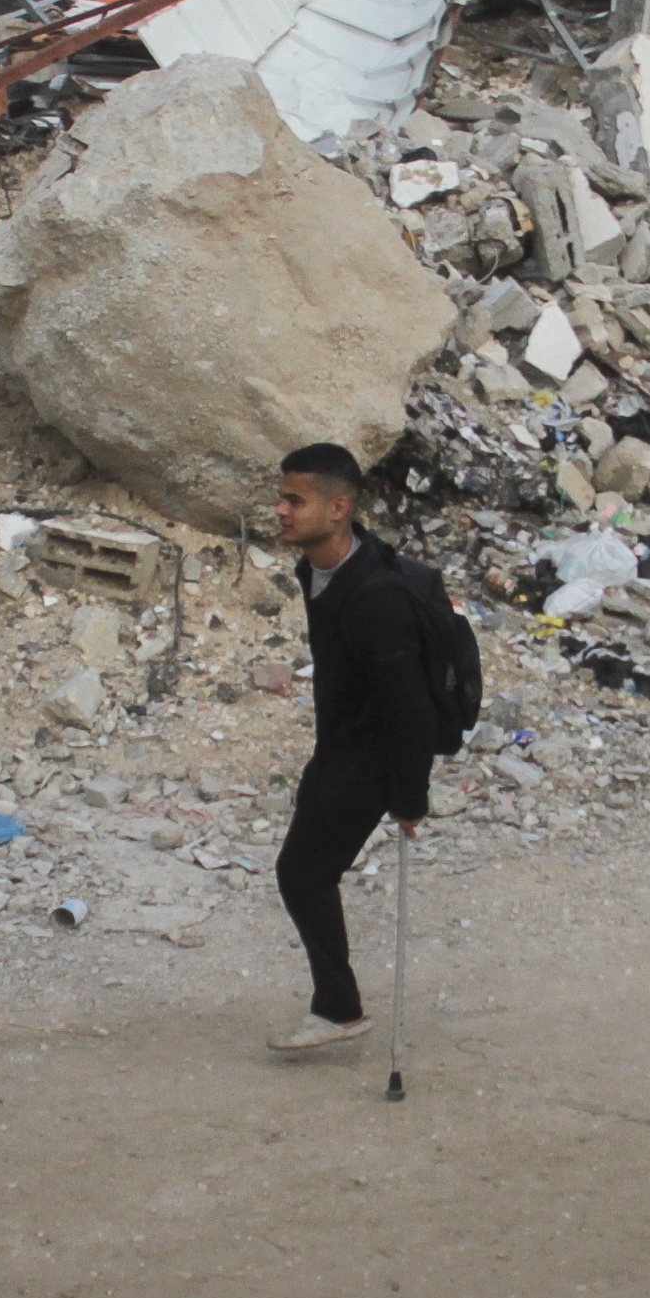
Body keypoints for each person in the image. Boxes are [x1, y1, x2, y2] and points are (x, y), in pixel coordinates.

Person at [264, 442, 438, 1057]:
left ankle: (338, 1010)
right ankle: (337, 1005)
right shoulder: (316, 567)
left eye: (295, 500)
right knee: (307, 872)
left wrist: (410, 797)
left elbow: (409, 704)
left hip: (368, 757)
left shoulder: (376, 598)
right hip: (339, 743)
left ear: (339, 509)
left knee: (302, 873)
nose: (281, 510)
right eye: (281, 496)